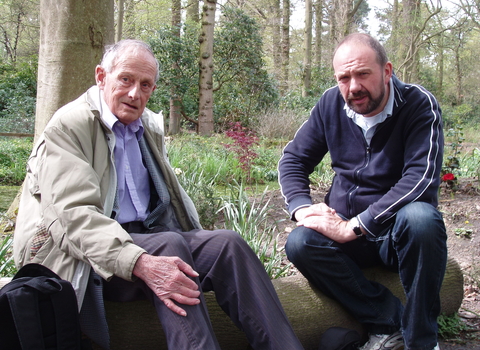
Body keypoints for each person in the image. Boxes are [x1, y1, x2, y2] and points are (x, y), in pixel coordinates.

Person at [13, 39, 304, 350]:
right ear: (101, 76)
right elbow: (73, 218)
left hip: (144, 240)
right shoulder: (69, 126)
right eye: (125, 79)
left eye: (146, 84)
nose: (135, 93)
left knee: (227, 244)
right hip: (79, 257)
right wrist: (139, 260)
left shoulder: (147, 126)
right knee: (169, 245)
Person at [278, 33, 446, 350]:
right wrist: (302, 209)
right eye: (344, 77)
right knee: (300, 241)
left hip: (399, 236)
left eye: (363, 74)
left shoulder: (418, 104)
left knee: (422, 219)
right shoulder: (330, 104)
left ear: (387, 71)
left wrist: (354, 226)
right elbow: (293, 159)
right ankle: (389, 323)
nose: (353, 86)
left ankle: (422, 341)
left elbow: (420, 176)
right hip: (348, 235)